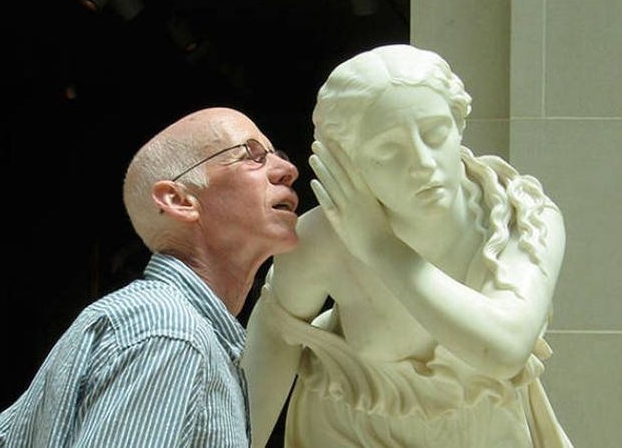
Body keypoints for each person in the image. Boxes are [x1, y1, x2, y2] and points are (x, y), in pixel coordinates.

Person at [242, 45, 573, 447]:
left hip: (487, 434)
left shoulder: (521, 217)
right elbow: (277, 335)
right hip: (353, 432)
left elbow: (505, 350)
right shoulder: (323, 240)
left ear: (459, 123)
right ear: (347, 162)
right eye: (388, 150)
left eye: (435, 134)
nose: (423, 163)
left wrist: (380, 248)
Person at [0, 107, 300, 447]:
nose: (287, 170)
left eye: (278, 155)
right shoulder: (170, 333)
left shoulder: (176, 329)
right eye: (252, 154)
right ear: (179, 200)